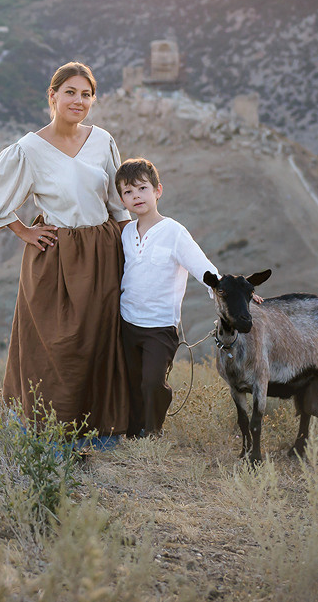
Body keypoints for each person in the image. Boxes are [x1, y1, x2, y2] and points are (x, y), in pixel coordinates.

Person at [0, 62, 132, 436]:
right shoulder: (30, 148)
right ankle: (48, 431)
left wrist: (135, 251)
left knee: (100, 340)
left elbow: (118, 203)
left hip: (103, 253)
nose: (79, 101)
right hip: (56, 258)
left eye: (86, 94)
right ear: (53, 95)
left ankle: (100, 432)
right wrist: (23, 231)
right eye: (70, 92)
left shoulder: (102, 141)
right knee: (56, 347)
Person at [115, 157, 230, 438]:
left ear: (158, 191)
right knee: (132, 381)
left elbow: (203, 268)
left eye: (142, 188)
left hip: (160, 326)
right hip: (127, 322)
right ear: (122, 200)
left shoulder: (174, 232)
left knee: (153, 382)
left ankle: (153, 432)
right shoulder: (126, 232)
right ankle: (133, 433)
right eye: (128, 192)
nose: (136, 196)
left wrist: (228, 292)